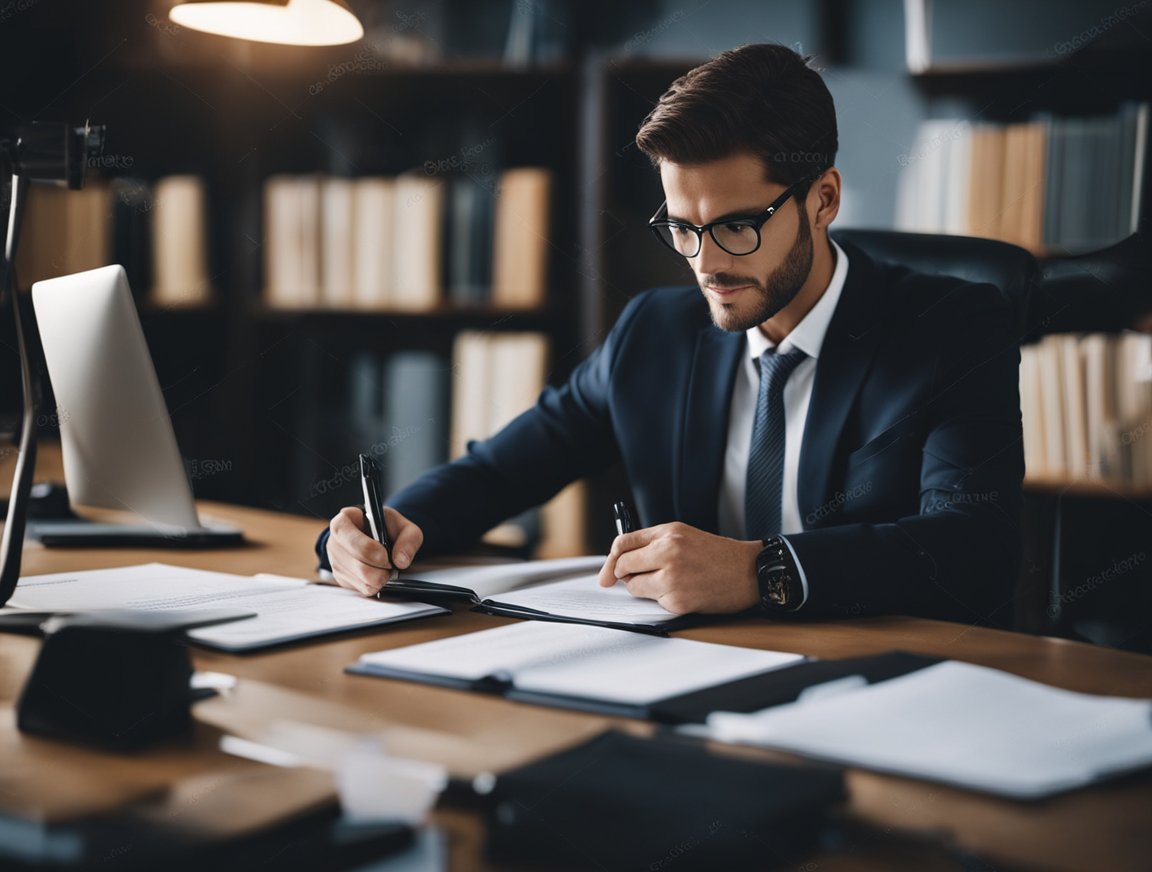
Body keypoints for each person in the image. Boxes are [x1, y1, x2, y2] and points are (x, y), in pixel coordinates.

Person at [318, 43, 1023, 625]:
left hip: (885, 685)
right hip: (683, 679)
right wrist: (384, 529)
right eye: (682, 229)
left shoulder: (952, 328)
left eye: (736, 226)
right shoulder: (653, 332)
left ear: (823, 200)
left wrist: (760, 569)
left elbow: (973, 547)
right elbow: (503, 470)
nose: (707, 263)